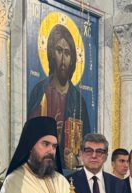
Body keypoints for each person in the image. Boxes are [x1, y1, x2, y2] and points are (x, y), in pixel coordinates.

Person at [28, 24, 91, 170]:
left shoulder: (78, 101)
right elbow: (29, 134)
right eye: (59, 51)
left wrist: (77, 160)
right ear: (51, 53)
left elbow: (87, 143)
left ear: (72, 59)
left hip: (67, 173)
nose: (63, 59)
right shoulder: (40, 92)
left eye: (67, 53)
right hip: (40, 167)